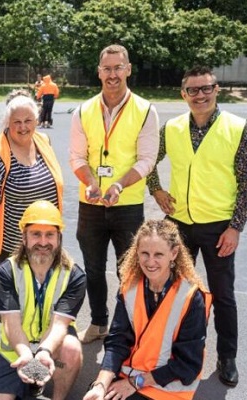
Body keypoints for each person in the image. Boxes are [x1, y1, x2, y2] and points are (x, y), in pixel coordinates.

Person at [146, 66, 247, 387]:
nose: (200, 95)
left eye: (206, 88)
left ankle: (227, 356)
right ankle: (172, 349)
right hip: (179, 224)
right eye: (193, 90)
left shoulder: (237, 128)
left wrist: (235, 227)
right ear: (183, 94)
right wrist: (155, 189)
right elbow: (147, 160)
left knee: (223, 295)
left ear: (216, 89)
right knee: (173, 290)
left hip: (218, 227)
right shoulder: (172, 128)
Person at [69, 44, 159, 344]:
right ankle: (98, 323)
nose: (112, 74)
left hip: (127, 206)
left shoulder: (146, 110)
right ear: (99, 72)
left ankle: (129, 328)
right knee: (93, 269)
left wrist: (119, 184)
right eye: (106, 69)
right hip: (91, 204)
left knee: (129, 270)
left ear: (128, 69)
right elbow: (77, 158)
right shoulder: (83, 111)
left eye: (118, 67)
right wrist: (92, 182)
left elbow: (147, 160)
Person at [83, 219, 212, 400]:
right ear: (137, 252)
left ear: (174, 253)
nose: (150, 262)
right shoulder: (129, 288)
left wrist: (135, 383)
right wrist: (100, 384)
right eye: (145, 253)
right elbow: (117, 341)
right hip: (130, 377)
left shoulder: (191, 297)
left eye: (158, 254)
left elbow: (188, 365)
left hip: (166, 387)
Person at [0, 200, 86, 400]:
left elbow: (60, 325)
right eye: (36, 234)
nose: (43, 242)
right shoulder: (6, 271)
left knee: (71, 348)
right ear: (24, 237)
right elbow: (10, 323)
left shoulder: (74, 275)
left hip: (51, 348)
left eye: (50, 235)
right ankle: (33, 377)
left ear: (59, 237)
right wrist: (26, 355)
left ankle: (53, 393)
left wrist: (44, 352)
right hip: (15, 351)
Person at [0, 90, 64, 266]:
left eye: (28, 121)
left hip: (47, 243)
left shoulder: (43, 141)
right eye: (16, 122)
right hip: (14, 248)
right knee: (16, 292)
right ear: (7, 123)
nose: (23, 127)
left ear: (37, 120)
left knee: (46, 292)